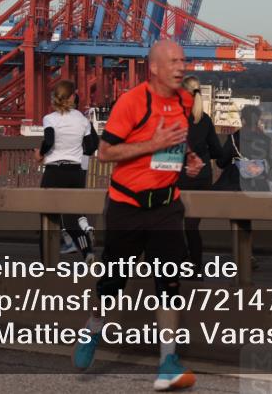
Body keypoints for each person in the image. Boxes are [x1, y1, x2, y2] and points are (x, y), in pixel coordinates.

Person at [73, 40, 202, 390]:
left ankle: (167, 362)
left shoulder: (184, 100)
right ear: (154, 67)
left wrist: (188, 158)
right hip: (127, 206)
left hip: (166, 206)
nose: (180, 66)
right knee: (112, 284)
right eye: (173, 61)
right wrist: (153, 145)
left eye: (183, 60)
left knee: (169, 283)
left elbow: (177, 139)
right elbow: (105, 153)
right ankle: (93, 329)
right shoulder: (132, 102)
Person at [36, 80, 98, 262]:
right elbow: (90, 146)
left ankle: (46, 262)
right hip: (76, 172)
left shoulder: (50, 119)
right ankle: (87, 252)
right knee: (72, 219)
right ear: (72, 97)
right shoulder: (83, 120)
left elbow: (49, 141)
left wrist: (40, 154)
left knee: (47, 218)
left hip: (54, 171)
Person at [178, 76, 223, 277]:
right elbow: (217, 151)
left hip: (180, 176)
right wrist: (203, 155)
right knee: (192, 226)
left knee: (173, 223)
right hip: (203, 178)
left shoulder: (177, 118)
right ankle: (196, 266)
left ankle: (178, 263)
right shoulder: (205, 120)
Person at [218, 104, 272, 193]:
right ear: (258, 120)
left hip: (235, 186)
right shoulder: (265, 140)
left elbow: (221, 163)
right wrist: (266, 178)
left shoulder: (234, 138)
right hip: (258, 187)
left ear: (243, 120)